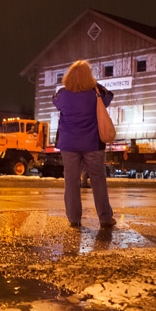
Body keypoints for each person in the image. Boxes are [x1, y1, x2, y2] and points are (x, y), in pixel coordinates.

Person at [52, 60, 116, 229]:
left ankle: (74, 218)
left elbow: (55, 102)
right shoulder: (96, 93)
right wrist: (94, 84)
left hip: (69, 144)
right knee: (98, 180)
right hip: (92, 143)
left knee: (71, 181)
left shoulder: (63, 94)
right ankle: (105, 218)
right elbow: (109, 96)